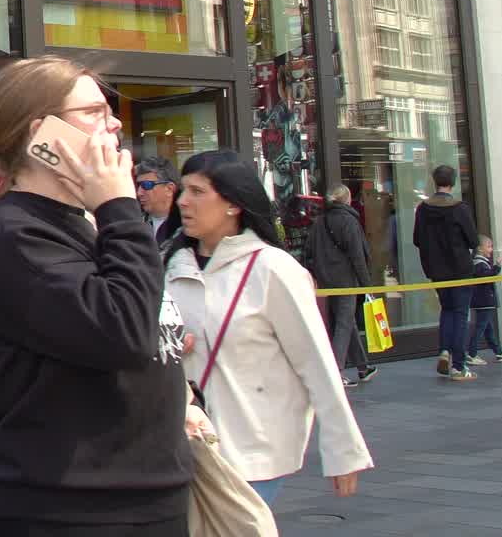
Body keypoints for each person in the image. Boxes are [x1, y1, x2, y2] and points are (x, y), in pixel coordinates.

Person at [0, 59, 191, 536]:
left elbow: (143, 335)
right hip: (69, 511)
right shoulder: (11, 238)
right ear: (45, 134)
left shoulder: (87, 225)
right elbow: (121, 334)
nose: (116, 123)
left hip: (145, 499)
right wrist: (119, 206)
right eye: (95, 112)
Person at [166, 150, 373, 505]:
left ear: (233, 203)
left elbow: (316, 363)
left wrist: (343, 451)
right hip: (176, 443)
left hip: (250, 450)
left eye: (198, 192)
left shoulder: (273, 269)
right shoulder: (170, 265)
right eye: (183, 190)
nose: (183, 201)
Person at [302, 185, 377, 387]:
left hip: (326, 281)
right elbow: (357, 256)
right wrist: (367, 285)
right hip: (346, 281)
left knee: (346, 322)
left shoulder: (320, 222)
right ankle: (336, 371)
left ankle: (362, 366)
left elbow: (308, 251)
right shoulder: (349, 221)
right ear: (347, 200)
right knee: (343, 325)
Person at [413, 165, 478, 381]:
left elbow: (417, 239)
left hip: (437, 270)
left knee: (447, 309)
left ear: (434, 182)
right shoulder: (459, 208)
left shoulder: (423, 209)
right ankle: (459, 365)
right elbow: (473, 240)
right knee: (460, 313)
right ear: (453, 182)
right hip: (460, 269)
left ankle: (444, 350)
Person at [466, 236, 502, 364]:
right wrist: (497, 267)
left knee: (488, 328)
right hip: (484, 301)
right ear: (480, 249)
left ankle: (499, 352)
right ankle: (472, 354)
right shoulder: (479, 263)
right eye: (489, 246)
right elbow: (488, 276)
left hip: (484, 301)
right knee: (481, 327)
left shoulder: (480, 262)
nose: (491, 249)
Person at [135, 157, 182, 246]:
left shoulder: (188, 225)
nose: (139, 193)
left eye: (146, 185)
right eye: (138, 186)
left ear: (169, 189)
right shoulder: (135, 224)